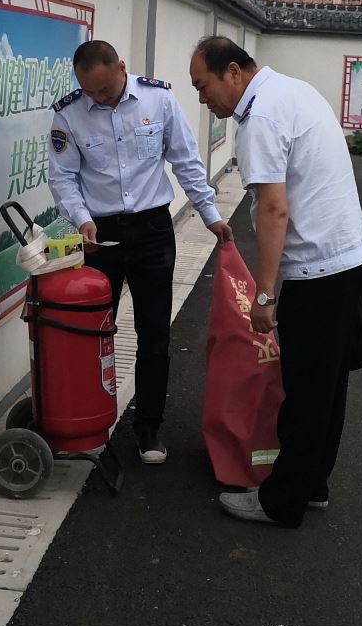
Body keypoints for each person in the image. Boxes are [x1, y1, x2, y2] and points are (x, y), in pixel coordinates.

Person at [188, 35, 362, 527]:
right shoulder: (293, 90)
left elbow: (274, 209)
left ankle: (282, 501)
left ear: (233, 72)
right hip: (346, 259)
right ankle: (312, 485)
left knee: (305, 391)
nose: (203, 99)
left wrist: (265, 295)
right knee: (327, 387)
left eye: (203, 86)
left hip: (319, 270)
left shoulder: (262, 117)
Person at [48, 40, 233, 464]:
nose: (99, 98)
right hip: (100, 235)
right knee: (92, 333)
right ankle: (87, 424)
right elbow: (63, 177)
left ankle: (148, 427)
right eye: (90, 91)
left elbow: (186, 160)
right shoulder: (69, 114)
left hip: (152, 231)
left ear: (121, 69)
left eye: (105, 89)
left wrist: (210, 215)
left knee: (154, 334)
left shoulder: (158, 99)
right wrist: (81, 219)